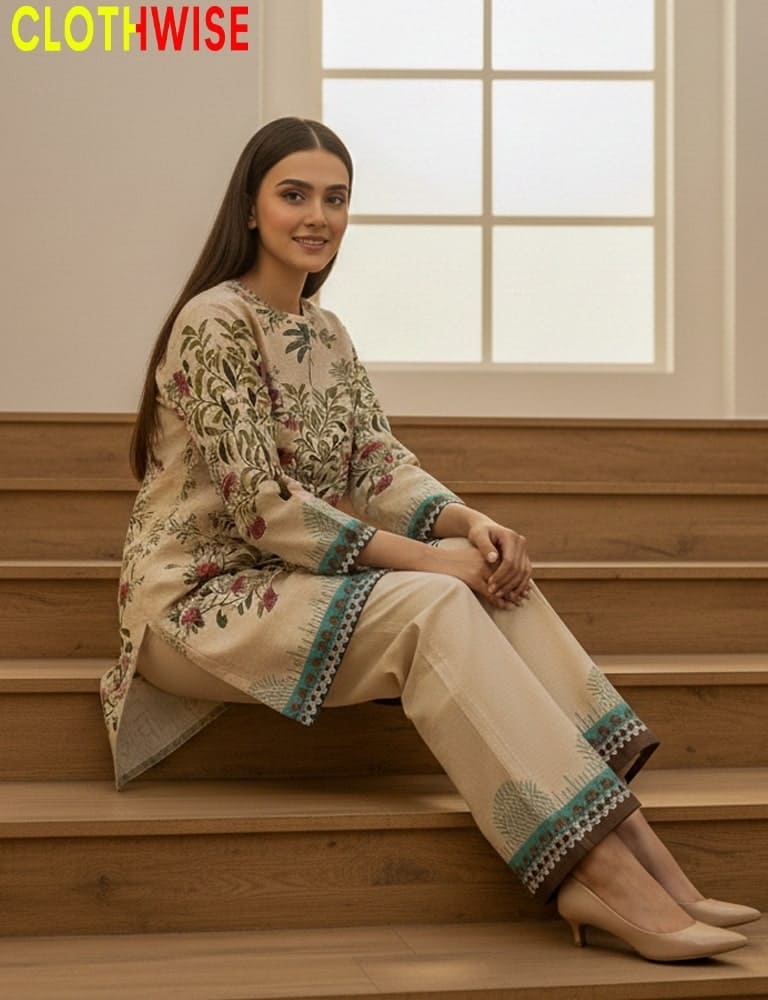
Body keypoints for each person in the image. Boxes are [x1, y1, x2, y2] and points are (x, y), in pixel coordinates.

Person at [101, 116, 758, 962]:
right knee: (441, 598)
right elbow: (260, 508)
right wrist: (427, 558)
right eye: (294, 194)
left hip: (290, 587)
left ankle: (647, 858)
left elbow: (377, 462)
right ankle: (599, 873)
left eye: (335, 199)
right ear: (251, 207)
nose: (318, 216)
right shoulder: (211, 322)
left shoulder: (326, 332)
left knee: (494, 578)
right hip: (196, 604)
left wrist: (471, 526)